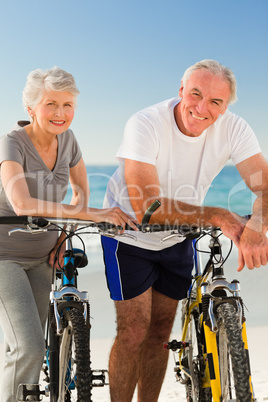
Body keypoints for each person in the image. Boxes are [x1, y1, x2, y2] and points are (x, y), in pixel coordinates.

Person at [101, 59, 268, 402]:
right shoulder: (146, 123)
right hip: (129, 236)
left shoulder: (234, 128)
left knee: (161, 331)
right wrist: (219, 215)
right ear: (181, 90)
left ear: (225, 107)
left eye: (215, 102)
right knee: (133, 331)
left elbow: (265, 186)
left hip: (179, 238)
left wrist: (258, 223)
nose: (202, 107)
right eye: (195, 94)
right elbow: (148, 207)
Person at [0, 66, 136, 402]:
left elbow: (80, 193)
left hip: (45, 255)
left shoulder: (69, 141)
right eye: (51, 104)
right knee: (27, 346)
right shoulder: (11, 144)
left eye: (68, 105)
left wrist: (65, 234)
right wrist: (93, 215)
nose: (61, 114)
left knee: (30, 346)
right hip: (5, 256)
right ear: (31, 108)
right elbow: (22, 203)